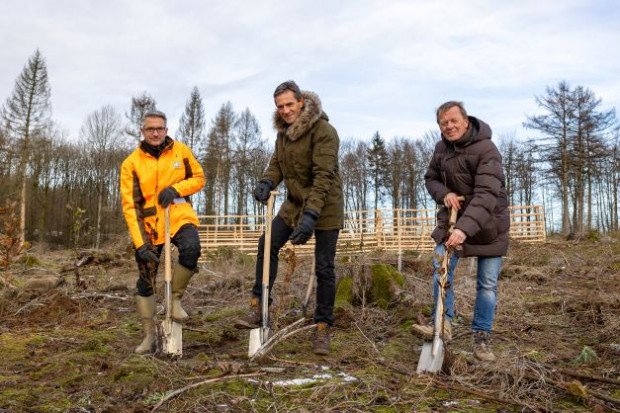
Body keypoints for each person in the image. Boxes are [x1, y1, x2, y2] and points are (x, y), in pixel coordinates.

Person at [234, 80, 344, 355]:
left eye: (289, 105)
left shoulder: (324, 131)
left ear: (302, 103)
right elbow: (276, 165)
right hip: (294, 204)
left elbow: (323, 178)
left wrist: (311, 216)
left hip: (325, 205)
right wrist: (267, 182)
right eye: (280, 106)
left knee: (324, 267)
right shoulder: (283, 134)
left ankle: (322, 326)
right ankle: (259, 305)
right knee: (266, 243)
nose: (285, 110)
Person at [411, 101, 509, 362]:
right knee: (440, 270)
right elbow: (430, 178)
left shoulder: (487, 149)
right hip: (452, 220)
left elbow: (487, 193)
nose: (449, 126)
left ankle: (481, 336)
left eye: (453, 121)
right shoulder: (441, 148)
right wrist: (445, 194)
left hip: (489, 224)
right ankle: (442, 323)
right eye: (444, 123)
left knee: (487, 284)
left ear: (466, 121)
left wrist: (465, 229)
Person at [120, 110, 205, 354]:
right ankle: (149, 336)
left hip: (179, 217)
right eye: (150, 129)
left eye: (160, 128)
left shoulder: (181, 152)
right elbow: (131, 206)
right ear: (143, 132)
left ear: (166, 130)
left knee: (191, 249)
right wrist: (140, 243)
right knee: (145, 280)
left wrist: (176, 189)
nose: (155, 133)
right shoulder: (131, 164)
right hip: (148, 226)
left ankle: (174, 300)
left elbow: (199, 178)